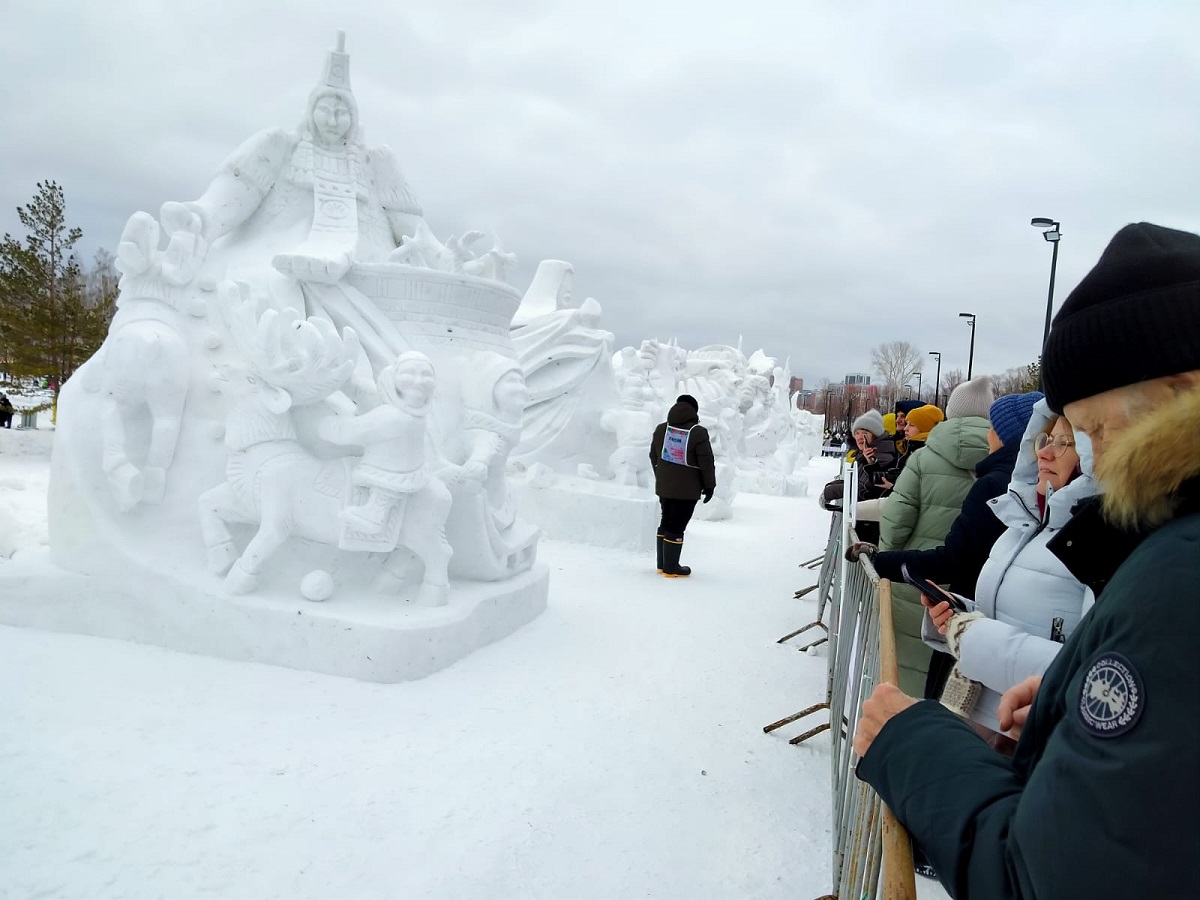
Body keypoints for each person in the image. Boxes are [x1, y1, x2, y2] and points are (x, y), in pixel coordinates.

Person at [855, 222, 1200, 898]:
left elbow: (1044, 881)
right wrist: (1079, 691)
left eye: (1097, 429)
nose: (1089, 456)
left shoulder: (1176, 570)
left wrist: (910, 741)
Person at [850, 391, 1043, 696]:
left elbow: (897, 519)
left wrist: (883, 558)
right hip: (997, 623)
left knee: (908, 677)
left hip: (935, 591)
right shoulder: (1039, 484)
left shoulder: (947, 465)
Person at [922, 404, 1096, 730]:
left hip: (1021, 736)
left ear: (1093, 457)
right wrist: (958, 614)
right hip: (975, 718)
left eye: (1063, 443)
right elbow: (1006, 619)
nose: (1044, 453)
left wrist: (971, 634)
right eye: (1044, 440)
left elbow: (1089, 673)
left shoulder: (1095, 543)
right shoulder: (1024, 523)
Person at [880, 378, 992, 696]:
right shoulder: (1003, 466)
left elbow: (895, 522)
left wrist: (885, 559)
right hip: (968, 594)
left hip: (915, 582)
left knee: (901, 677)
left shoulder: (923, 459)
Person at [649, 394, 716, 577]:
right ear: (694, 411)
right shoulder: (698, 432)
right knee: (677, 525)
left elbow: (654, 456)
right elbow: (706, 462)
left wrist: (662, 477)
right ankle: (672, 568)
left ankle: (663, 564)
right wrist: (709, 486)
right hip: (687, 491)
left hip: (664, 488)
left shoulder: (662, 429)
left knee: (666, 520)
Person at [819, 410, 896, 512]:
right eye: (857, 433)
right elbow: (855, 480)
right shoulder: (864, 454)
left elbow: (864, 490)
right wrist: (832, 485)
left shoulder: (882, 457)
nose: (859, 437)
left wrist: (830, 492)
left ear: (875, 435)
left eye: (864, 433)